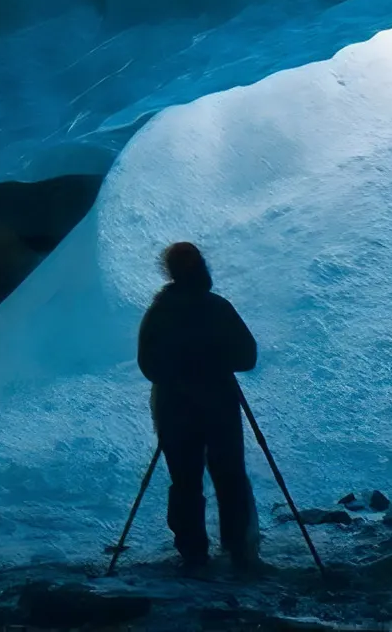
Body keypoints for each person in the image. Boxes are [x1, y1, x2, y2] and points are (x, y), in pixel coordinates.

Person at [137, 241, 259, 572]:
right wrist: (215, 359)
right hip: (219, 406)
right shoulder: (217, 308)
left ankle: (193, 553)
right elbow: (247, 356)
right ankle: (237, 550)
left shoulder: (160, 312)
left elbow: (149, 365)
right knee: (229, 478)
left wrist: (178, 371)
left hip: (175, 409)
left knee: (186, 481)